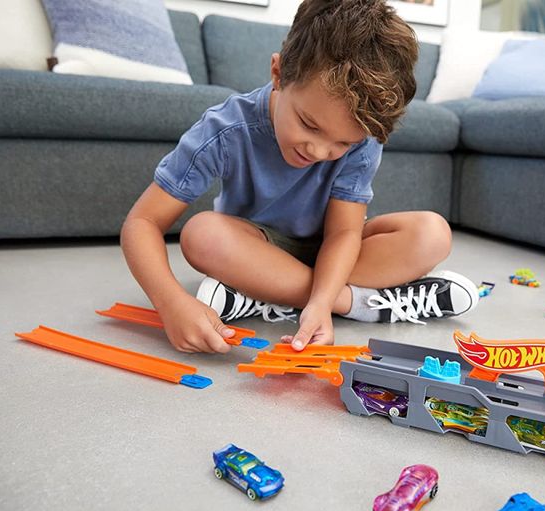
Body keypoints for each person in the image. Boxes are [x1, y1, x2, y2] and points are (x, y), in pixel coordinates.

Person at [120, 0, 478, 355]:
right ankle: (361, 302)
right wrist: (171, 303)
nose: (320, 151)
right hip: (257, 249)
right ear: (279, 74)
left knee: (432, 234)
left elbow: (343, 233)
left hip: (334, 252)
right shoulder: (225, 129)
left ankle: (265, 296)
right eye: (309, 124)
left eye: (343, 143)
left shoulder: (364, 137)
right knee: (202, 234)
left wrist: (322, 302)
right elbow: (142, 222)